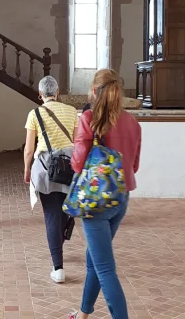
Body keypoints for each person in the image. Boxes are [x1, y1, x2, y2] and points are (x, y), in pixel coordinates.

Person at [68, 69, 141, 319]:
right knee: (94, 261)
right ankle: (83, 314)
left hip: (96, 201)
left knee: (105, 268)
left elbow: (78, 163)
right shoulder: (132, 122)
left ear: (95, 91)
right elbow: (134, 166)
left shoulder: (90, 118)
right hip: (121, 197)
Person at [24, 75, 78, 284]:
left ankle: (58, 267)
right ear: (57, 93)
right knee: (64, 211)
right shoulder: (72, 111)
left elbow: (29, 149)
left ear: (40, 94)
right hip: (69, 167)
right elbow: (76, 142)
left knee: (51, 215)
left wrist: (27, 169)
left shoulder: (34, 113)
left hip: (46, 169)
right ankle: (58, 245)